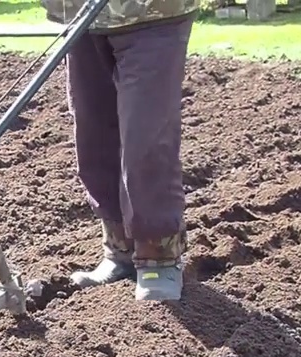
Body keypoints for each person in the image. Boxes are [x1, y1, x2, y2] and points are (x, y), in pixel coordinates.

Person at [42, 0, 197, 301]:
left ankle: (158, 254)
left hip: (154, 13)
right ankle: (120, 250)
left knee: (145, 135)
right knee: (94, 133)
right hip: (81, 13)